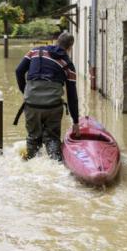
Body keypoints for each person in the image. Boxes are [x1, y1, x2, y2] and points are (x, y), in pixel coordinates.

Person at [15, 32, 79, 161]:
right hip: (53, 107)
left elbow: (18, 71)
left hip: (32, 104)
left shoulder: (34, 52)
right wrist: (76, 121)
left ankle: (31, 165)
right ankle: (56, 165)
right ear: (70, 47)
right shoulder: (68, 65)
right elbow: (72, 95)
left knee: (33, 139)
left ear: (56, 41)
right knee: (52, 139)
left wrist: (26, 92)